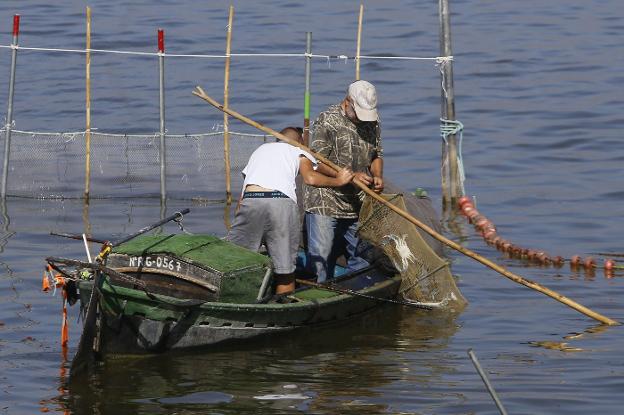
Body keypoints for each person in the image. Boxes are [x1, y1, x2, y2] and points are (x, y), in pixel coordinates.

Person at [227, 127, 354, 299]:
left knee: (235, 261)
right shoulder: (299, 150)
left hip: (251, 200)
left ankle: (235, 301)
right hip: (280, 203)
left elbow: (242, 197)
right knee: (285, 270)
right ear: (300, 141)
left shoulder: (260, 151)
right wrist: (339, 181)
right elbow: (310, 178)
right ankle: (283, 305)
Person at [303, 80, 384, 283]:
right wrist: (350, 177)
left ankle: (356, 291)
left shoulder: (372, 122)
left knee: (363, 258)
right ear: (348, 102)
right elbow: (317, 160)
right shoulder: (327, 120)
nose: (361, 119)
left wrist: (377, 176)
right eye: (358, 113)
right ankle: (319, 298)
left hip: (357, 203)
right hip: (325, 201)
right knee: (320, 260)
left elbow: (376, 155)